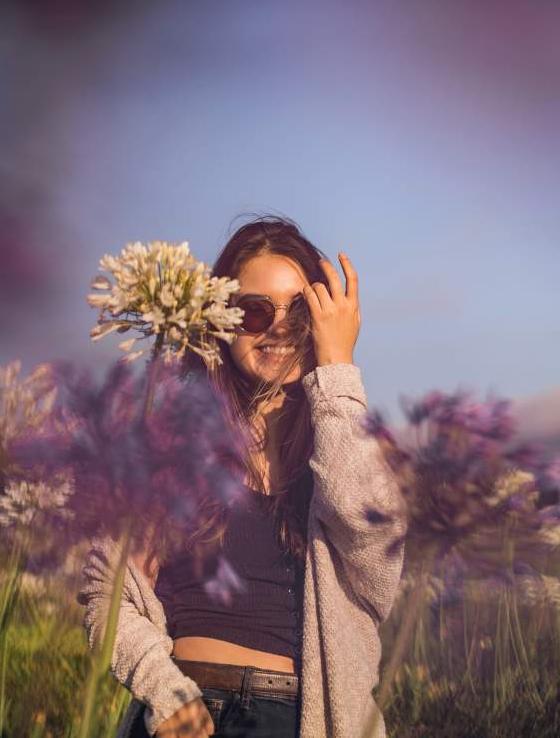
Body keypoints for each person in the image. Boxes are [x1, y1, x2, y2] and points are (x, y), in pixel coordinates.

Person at [78, 215, 407, 738]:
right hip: (183, 711)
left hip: (298, 720)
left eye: (300, 311)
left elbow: (376, 564)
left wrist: (339, 370)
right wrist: (167, 697)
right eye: (253, 310)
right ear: (219, 321)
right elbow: (106, 597)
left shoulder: (344, 443)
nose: (278, 327)